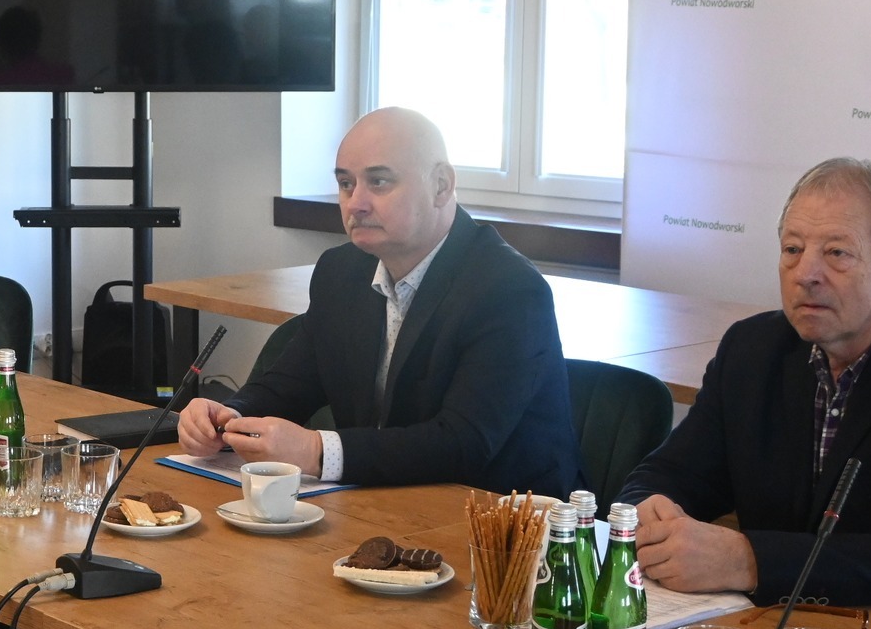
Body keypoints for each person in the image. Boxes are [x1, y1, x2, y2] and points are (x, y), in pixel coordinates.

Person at [618, 158, 871, 626]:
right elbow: (670, 473)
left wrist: (748, 560)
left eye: (836, 253)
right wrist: (648, 510)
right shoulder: (751, 350)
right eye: (792, 249)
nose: (805, 273)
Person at [179, 107, 580, 496]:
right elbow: (291, 384)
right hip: (382, 501)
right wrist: (228, 416)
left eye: (379, 182)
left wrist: (318, 451)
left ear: (441, 185)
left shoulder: (508, 289)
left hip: (498, 519)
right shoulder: (341, 271)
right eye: (346, 183)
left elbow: (464, 443)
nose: (356, 203)